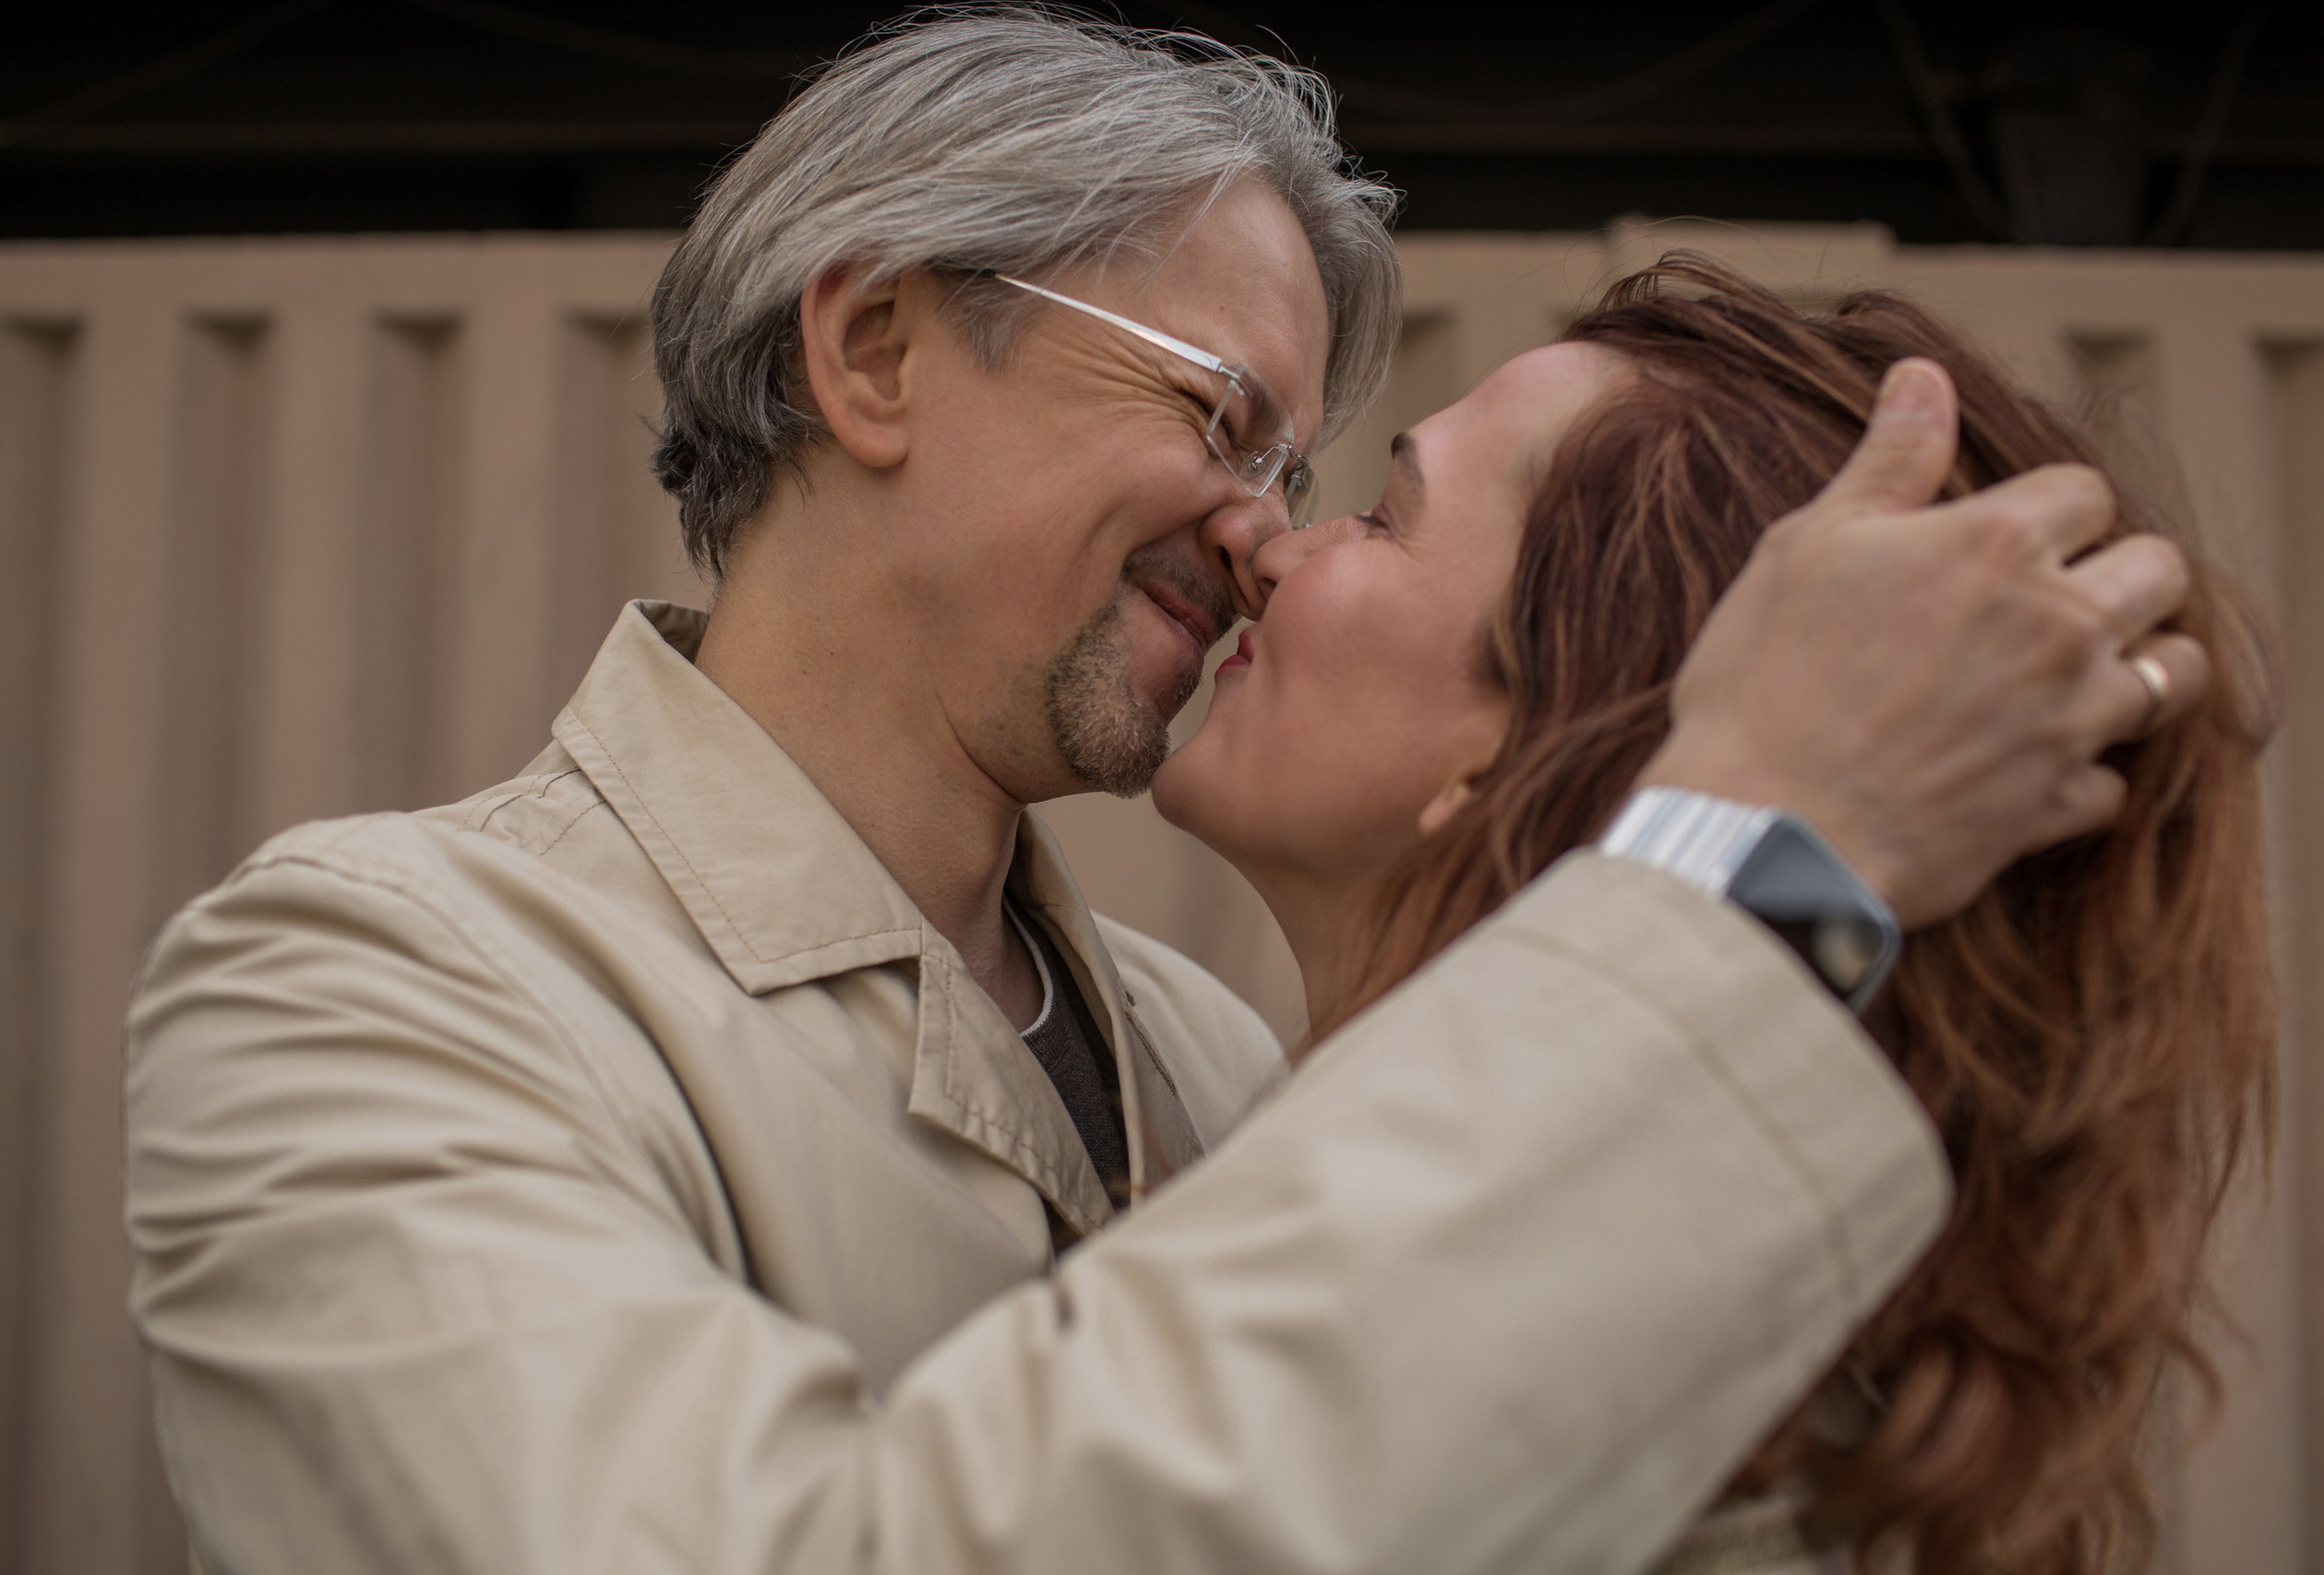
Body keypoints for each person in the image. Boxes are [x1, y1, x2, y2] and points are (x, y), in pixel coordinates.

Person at [123, 15, 2209, 1574]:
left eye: (1308, 472)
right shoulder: (368, 984)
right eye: (1222, 415)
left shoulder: (1228, 1063)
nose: (1260, 538)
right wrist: (1746, 879)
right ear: (870, 352)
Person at [1154, 255, 2274, 1575]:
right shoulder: (1179, 1087)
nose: (1276, 548)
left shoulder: (1579, 1442)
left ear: (1530, 747)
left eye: (1389, 517)